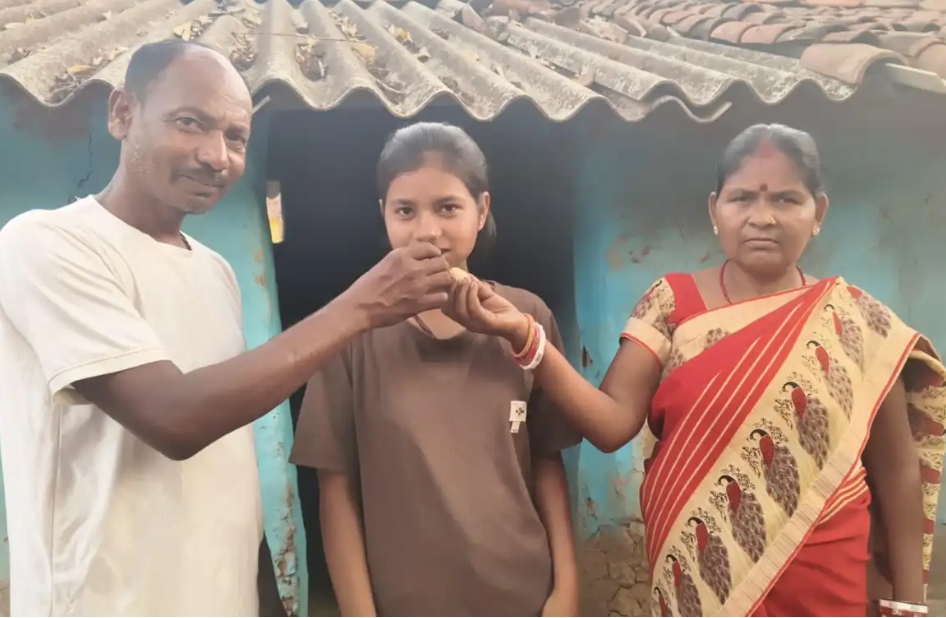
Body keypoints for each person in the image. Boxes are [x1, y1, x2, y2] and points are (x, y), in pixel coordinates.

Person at [0, 41, 453, 617]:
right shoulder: (47, 244)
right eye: (190, 123)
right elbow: (174, 420)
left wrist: (266, 598)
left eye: (236, 137)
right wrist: (363, 306)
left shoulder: (215, 272)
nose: (216, 156)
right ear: (122, 113)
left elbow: (226, 449)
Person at [445, 124, 946, 616]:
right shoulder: (671, 303)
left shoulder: (854, 321)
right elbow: (611, 424)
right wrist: (527, 339)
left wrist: (908, 605)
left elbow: (897, 468)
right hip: (700, 583)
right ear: (714, 210)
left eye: (786, 200)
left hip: (826, 579)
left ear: (819, 212)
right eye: (742, 198)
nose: (762, 217)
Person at [290, 122, 581, 617]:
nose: (427, 231)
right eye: (405, 210)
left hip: (524, 596)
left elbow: (546, 462)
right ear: (383, 214)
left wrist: (566, 588)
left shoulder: (526, 318)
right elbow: (335, 488)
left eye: (447, 207)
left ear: (482, 210)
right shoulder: (350, 331)